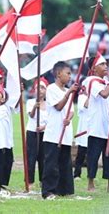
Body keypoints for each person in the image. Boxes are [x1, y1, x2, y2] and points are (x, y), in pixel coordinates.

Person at [85, 53, 109, 193]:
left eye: (106, 64)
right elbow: (105, 94)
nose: (106, 66)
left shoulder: (106, 82)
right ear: (94, 68)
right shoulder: (92, 82)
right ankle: (90, 184)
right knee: (93, 156)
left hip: (108, 126)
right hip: (96, 126)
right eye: (102, 64)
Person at [41, 61, 77, 200]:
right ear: (58, 74)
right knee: (51, 163)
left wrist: (69, 118)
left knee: (65, 162)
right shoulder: (51, 89)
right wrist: (69, 92)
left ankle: (64, 189)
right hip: (54, 132)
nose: (69, 76)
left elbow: (71, 110)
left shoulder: (66, 90)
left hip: (65, 132)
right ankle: (48, 191)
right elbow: (58, 107)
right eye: (67, 73)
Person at [25, 77, 49, 190]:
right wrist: (35, 106)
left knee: (43, 157)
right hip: (32, 133)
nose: (40, 90)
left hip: (45, 133)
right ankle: (29, 181)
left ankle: (43, 180)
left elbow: (51, 119)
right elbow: (31, 115)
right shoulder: (30, 102)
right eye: (37, 88)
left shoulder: (49, 104)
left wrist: (44, 127)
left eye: (43, 88)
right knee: (31, 157)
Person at [73, 83, 90, 180]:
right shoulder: (82, 96)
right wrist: (89, 95)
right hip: (84, 127)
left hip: (93, 127)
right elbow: (85, 106)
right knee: (81, 152)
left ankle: (90, 174)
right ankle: (77, 174)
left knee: (92, 153)